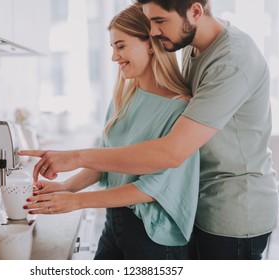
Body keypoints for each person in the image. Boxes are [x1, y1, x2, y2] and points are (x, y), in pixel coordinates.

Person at [19, 0, 279, 260]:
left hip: (232, 209)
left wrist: (75, 163)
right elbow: (120, 155)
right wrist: (68, 187)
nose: (154, 32)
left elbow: (171, 154)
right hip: (196, 204)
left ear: (195, 11)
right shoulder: (190, 48)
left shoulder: (232, 61)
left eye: (159, 21)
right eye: (150, 21)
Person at [23, 4, 200, 260]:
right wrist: (67, 187)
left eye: (121, 46)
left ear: (150, 43)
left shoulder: (179, 109)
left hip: (154, 236)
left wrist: (78, 201)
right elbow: (107, 159)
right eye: (113, 48)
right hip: (116, 223)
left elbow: (152, 189)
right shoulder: (124, 98)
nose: (114, 57)